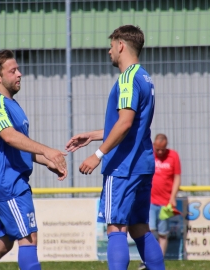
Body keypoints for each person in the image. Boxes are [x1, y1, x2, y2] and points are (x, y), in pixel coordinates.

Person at [65, 25, 165, 270]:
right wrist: (93, 135)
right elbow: (132, 126)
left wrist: (98, 154)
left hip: (122, 165)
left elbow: (125, 122)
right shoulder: (144, 76)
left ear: (121, 45)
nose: (109, 51)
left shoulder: (128, 78)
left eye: (111, 46)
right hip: (142, 163)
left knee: (115, 226)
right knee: (139, 225)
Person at [0, 50, 67, 270]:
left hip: (10, 182)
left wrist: (45, 160)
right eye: (13, 71)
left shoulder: (11, 104)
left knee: (1, 244)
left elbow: (17, 146)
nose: (20, 74)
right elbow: (10, 137)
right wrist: (48, 151)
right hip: (8, 184)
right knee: (29, 238)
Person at [149, 134, 181, 255]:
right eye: (158, 149)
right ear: (154, 146)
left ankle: (159, 261)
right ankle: (147, 259)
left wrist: (173, 197)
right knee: (149, 231)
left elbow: (177, 178)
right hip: (149, 201)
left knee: (163, 233)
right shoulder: (149, 154)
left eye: (163, 149)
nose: (161, 151)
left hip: (165, 203)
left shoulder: (173, 156)